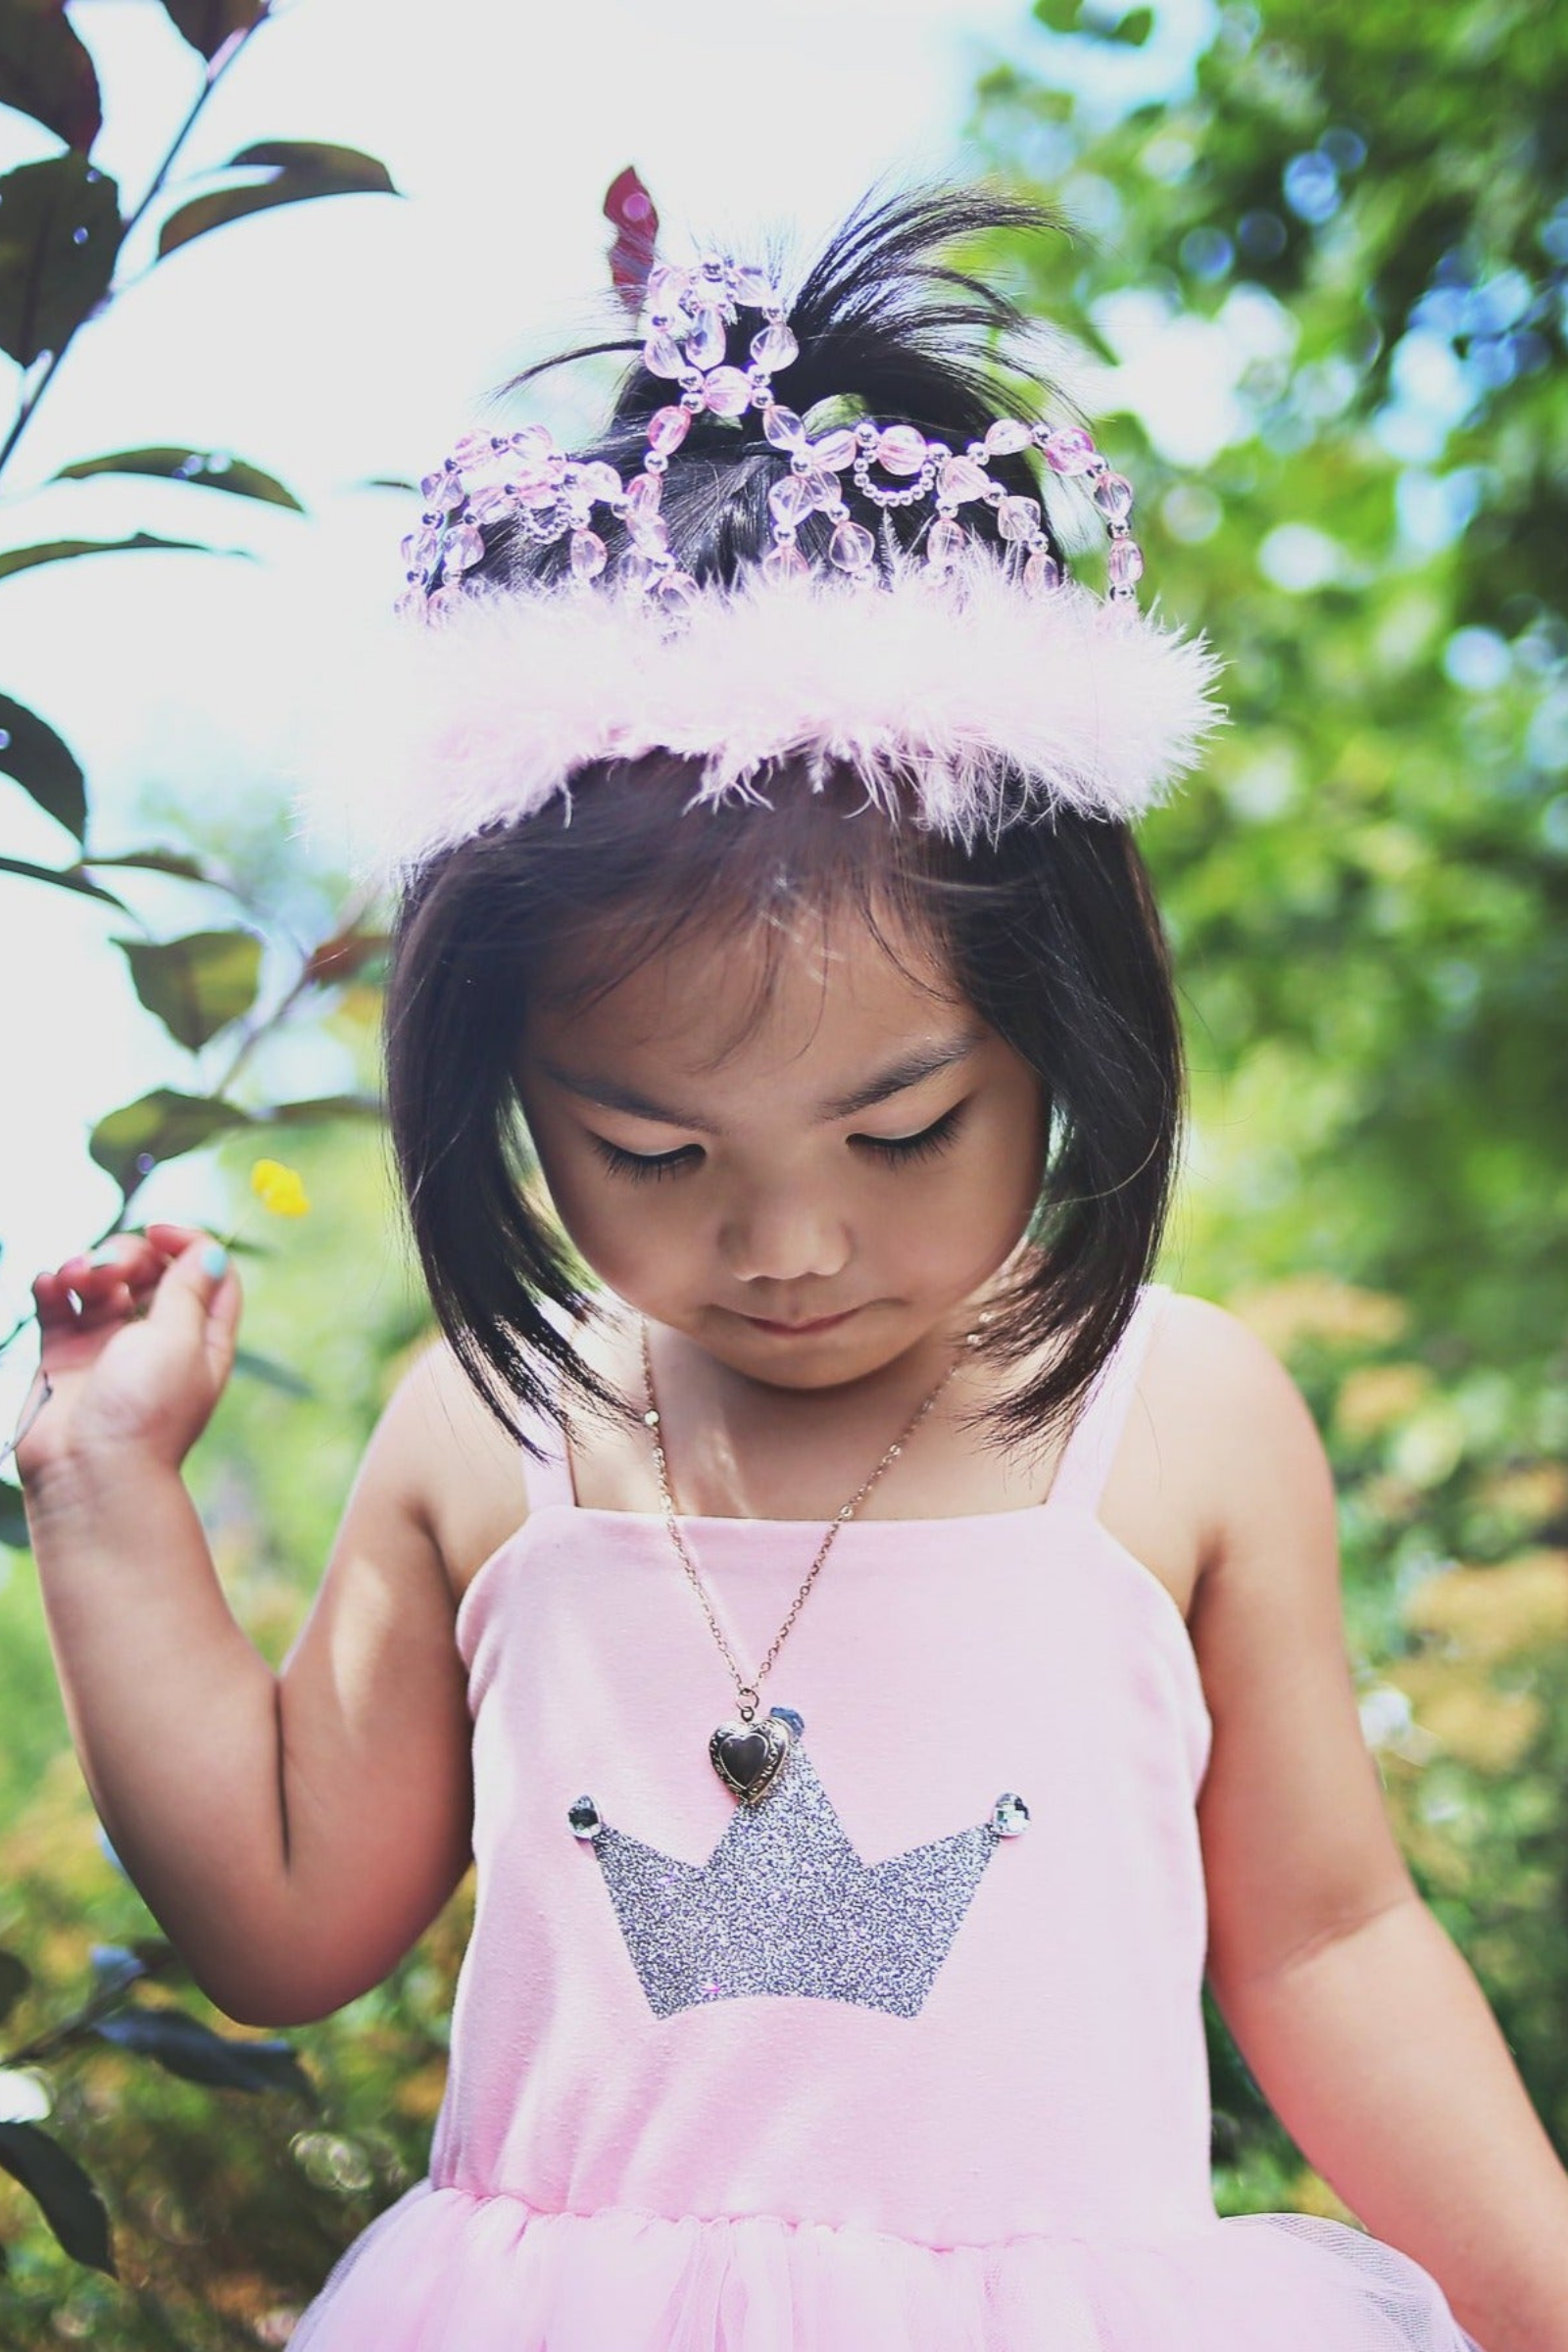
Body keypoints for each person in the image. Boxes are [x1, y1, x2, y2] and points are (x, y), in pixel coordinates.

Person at [13, 187, 1568, 2351]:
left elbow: (1316, 1936)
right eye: (646, 1149)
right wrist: (106, 1497)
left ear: (1069, 1024)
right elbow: (282, 1917)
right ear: (504, 1095)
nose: (788, 1242)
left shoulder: (1176, 1422)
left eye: (903, 1127)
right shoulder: (493, 1427)